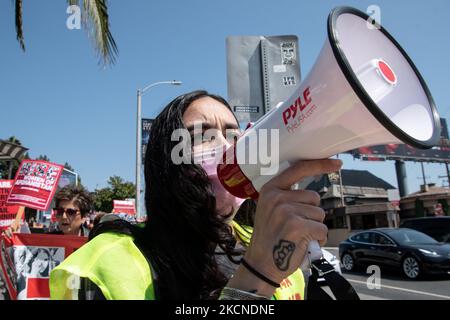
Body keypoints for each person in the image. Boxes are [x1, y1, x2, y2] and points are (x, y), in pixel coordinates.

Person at [50, 90, 341, 300]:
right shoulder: (103, 264)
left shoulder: (272, 240)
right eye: (201, 136)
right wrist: (258, 276)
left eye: (234, 136)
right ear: (165, 161)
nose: (226, 148)